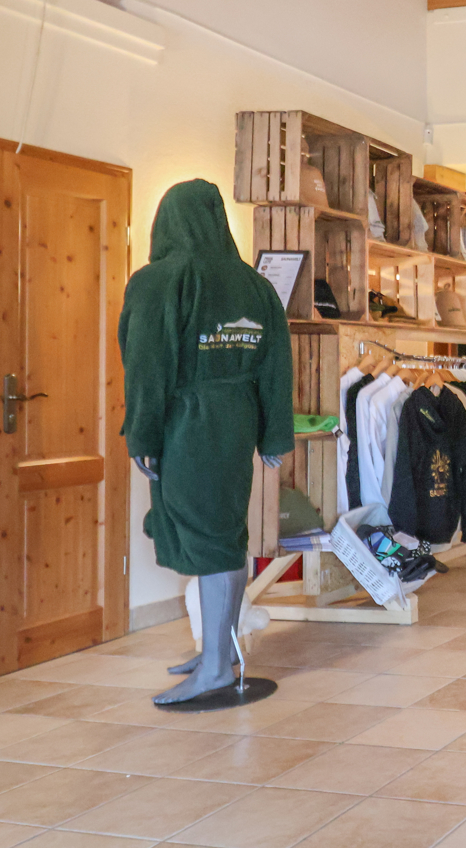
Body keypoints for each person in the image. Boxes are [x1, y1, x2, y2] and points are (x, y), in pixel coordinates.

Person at [119, 179, 293, 705]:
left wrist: (143, 432)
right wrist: (274, 434)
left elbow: (147, 366)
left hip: (187, 422)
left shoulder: (158, 281)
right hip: (237, 421)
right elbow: (276, 365)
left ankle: (215, 667)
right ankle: (221, 649)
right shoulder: (255, 285)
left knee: (209, 539)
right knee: (227, 534)